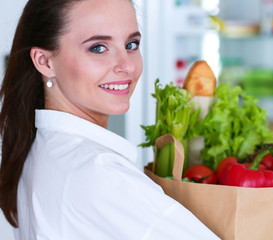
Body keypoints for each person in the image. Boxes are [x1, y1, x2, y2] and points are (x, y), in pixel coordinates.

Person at [0, 0, 219, 239]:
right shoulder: (101, 176)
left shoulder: (38, 149)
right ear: (44, 61)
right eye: (98, 48)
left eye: (131, 44)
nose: (127, 65)